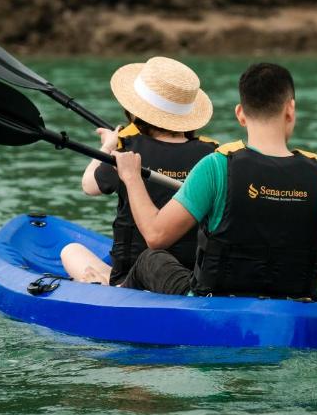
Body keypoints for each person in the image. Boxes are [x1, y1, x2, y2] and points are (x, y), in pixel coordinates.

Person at [112, 62, 317, 298]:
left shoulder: (215, 167)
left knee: (150, 259)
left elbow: (155, 236)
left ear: (240, 115)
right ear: (290, 110)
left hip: (214, 305)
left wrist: (131, 177)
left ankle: (113, 295)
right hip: (293, 305)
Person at [60, 56, 218, 286]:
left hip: (133, 275)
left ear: (136, 111)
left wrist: (108, 146)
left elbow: (89, 186)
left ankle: (106, 282)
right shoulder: (213, 154)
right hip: (192, 276)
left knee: (71, 250)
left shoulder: (127, 149)